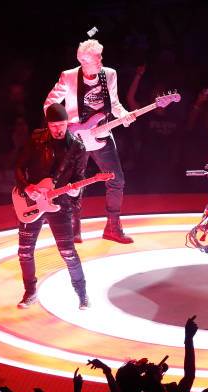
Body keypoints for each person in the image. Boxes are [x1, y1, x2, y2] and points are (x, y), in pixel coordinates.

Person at [44, 39, 136, 244]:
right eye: (97, 58)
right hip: (77, 138)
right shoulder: (68, 77)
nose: (101, 60)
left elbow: (114, 103)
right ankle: (74, 229)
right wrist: (67, 127)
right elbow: (50, 105)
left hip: (102, 134)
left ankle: (113, 227)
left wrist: (125, 115)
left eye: (101, 57)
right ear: (84, 61)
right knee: (75, 183)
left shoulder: (109, 74)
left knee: (116, 180)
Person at [14, 103, 89, 309]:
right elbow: (19, 166)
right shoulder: (37, 140)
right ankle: (30, 292)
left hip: (59, 203)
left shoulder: (77, 147)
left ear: (68, 123)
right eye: (54, 126)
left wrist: (76, 191)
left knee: (68, 252)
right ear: (47, 125)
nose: (59, 130)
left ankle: (82, 294)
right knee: (24, 251)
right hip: (33, 201)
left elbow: (79, 178)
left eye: (62, 125)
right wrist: (27, 187)